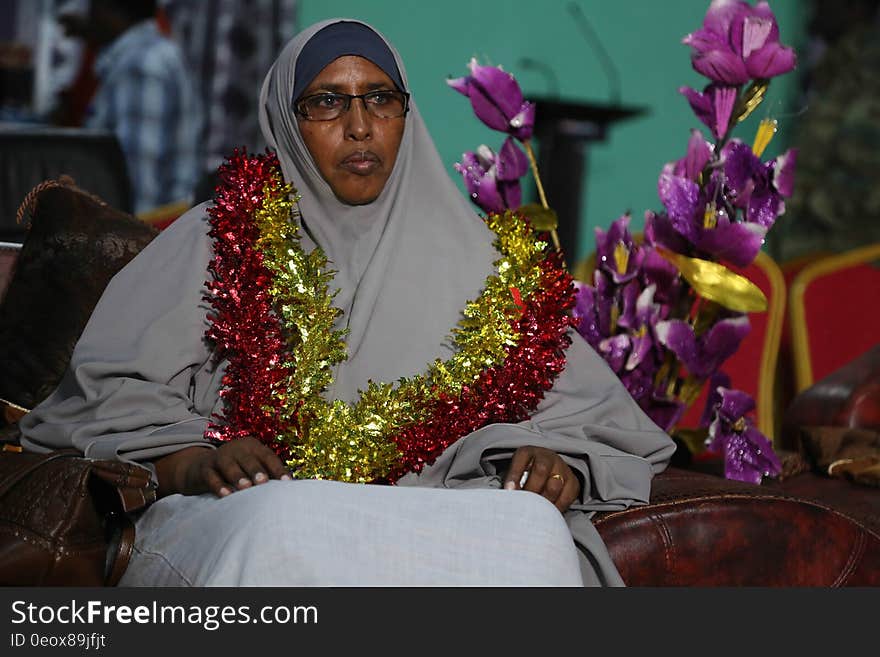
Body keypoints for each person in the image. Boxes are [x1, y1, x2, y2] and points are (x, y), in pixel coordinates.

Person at [19, 19, 675, 586]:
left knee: (533, 531)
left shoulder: (481, 262)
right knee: (286, 519)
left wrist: (556, 464)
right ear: (286, 116)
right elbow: (101, 396)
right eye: (328, 102)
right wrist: (193, 459)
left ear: (404, 113)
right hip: (245, 509)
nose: (360, 126)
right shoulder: (218, 239)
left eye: (380, 99)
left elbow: (598, 422)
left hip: (442, 510)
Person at [72, 0, 202, 214]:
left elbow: (138, 176)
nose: (88, 17)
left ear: (110, 11)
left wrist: (137, 242)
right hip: (160, 227)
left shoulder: (140, 65)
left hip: (144, 230)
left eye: (92, 7)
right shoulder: (158, 51)